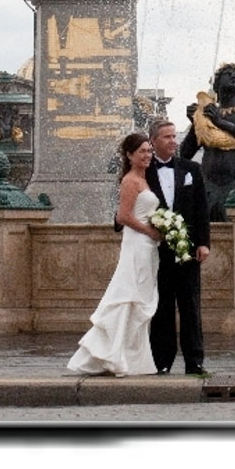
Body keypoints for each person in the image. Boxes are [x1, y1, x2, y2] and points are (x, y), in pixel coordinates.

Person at [67, 132, 161, 376]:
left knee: (138, 299)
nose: (147, 155)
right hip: (137, 243)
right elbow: (123, 216)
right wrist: (150, 231)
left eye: (149, 151)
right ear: (129, 155)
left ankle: (132, 357)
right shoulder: (130, 181)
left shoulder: (145, 179)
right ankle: (112, 354)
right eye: (142, 151)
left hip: (147, 245)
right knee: (128, 296)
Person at [145, 118, 210, 375]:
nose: (174, 141)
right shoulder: (143, 171)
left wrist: (204, 243)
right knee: (161, 308)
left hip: (188, 250)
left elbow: (201, 209)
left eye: (174, 136)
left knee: (191, 306)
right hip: (156, 251)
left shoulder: (191, 169)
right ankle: (161, 360)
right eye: (167, 137)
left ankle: (195, 361)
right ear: (153, 141)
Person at [180, 62, 235, 219]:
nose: (233, 76)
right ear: (217, 84)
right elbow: (185, 153)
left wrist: (219, 121)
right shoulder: (205, 116)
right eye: (228, 74)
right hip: (209, 182)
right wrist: (196, 123)